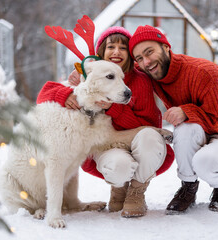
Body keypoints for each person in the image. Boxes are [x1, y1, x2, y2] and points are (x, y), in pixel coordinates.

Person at [36, 26, 174, 218]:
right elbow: (46, 92)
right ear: (102, 51)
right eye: (111, 46)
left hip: (138, 143)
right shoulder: (90, 73)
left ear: (130, 54)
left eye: (123, 47)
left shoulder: (140, 81)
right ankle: (118, 189)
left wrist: (112, 108)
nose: (116, 51)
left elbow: (149, 122)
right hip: (109, 147)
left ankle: (136, 192)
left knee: (150, 136)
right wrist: (65, 94)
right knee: (119, 164)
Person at [128, 25, 218, 213]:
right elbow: (121, 69)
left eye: (149, 52)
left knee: (204, 162)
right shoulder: (151, 70)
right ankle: (188, 187)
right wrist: (82, 72)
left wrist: (187, 111)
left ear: (166, 47)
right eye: (140, 58)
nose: (146, 62)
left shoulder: (204, 73)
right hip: (200, 131)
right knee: (185, 129)